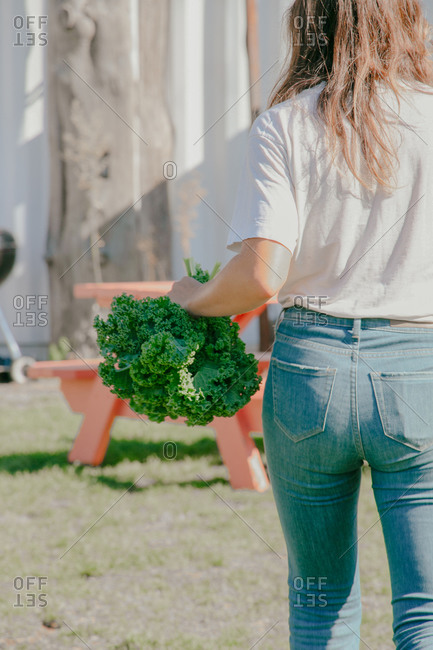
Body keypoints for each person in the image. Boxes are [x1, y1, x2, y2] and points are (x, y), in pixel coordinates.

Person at [167, 1, 433, 647]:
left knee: (320, 606)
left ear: (307, 25)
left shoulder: (284, 124)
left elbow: (260, 277)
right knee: (424, 612)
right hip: (418, 370)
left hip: (309, 375)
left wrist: (191, 298)